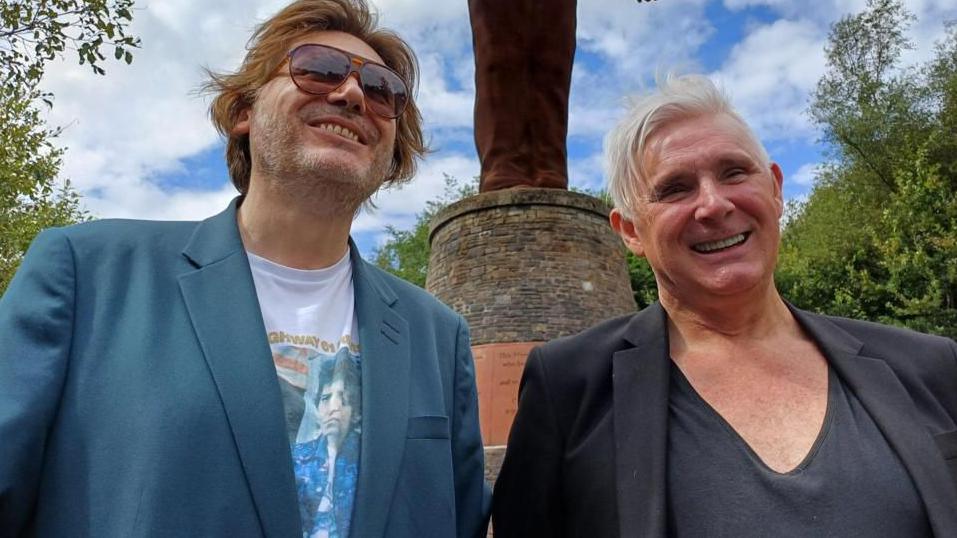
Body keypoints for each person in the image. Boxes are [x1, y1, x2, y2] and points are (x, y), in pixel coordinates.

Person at [0, 1, 488, 536]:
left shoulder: (437, 335)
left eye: (381, 90)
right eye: (319, 69)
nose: (351, 94)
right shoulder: (88, 274)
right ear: (243, 113)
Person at [492, 74, 957, 537]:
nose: (713, 205)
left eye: (734, 172)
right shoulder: (569, 387)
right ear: (631, 230)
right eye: (675, 188)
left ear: (775, 189)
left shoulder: (929, 366)